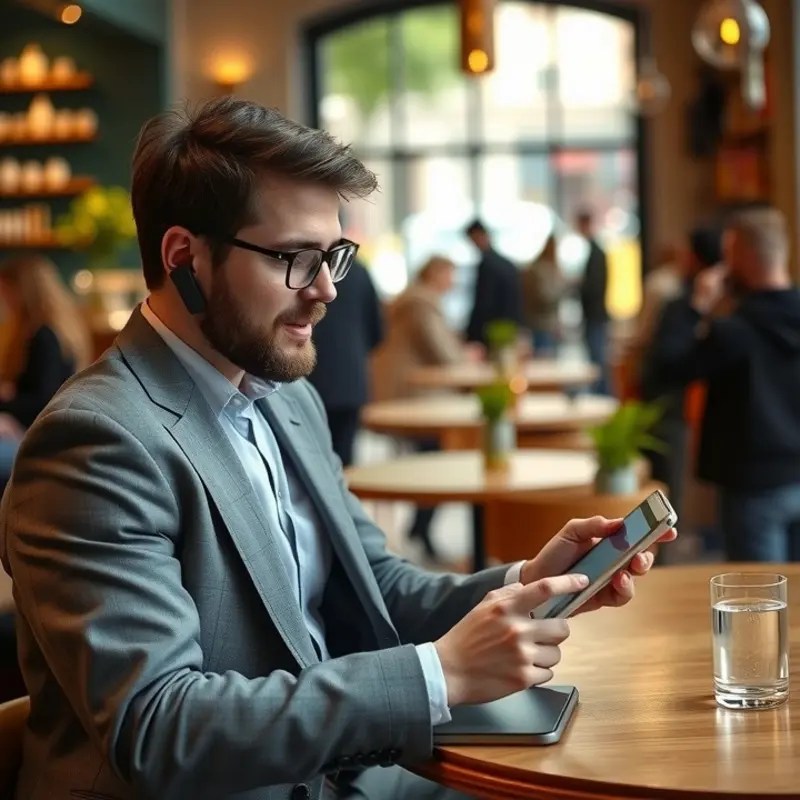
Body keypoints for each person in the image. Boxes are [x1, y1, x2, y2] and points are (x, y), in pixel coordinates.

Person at [0, 97, 673, 800]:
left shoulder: (287, 399)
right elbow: (161, 727)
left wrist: (526, 584)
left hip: (336, 773)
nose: (325, 290)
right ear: (184, 257)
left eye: (335, 256)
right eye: (295, 258)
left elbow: (372, 585)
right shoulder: (95, 443)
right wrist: (437, 674)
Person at [651, 207, 800, 562]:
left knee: (759, 603)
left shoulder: (734, 331)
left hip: (754, 482)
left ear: (744, 257)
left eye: (729, 255)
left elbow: (665, 368)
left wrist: (695, 305)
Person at [372, 255, 463, 560]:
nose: (454, 282)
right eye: (451, 274)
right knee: (446, 453)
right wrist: (467, 355)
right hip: (415, 398)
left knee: (444, 451)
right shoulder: (422, 305)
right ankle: (421, 526)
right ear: (436, 273)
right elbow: (443, 354)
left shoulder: (413, 301)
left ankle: (421, 525)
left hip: (408, 394)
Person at [0, 254, 91, 491]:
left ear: (23, 291)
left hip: (43, 438)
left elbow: (44, 400)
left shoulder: (43, 337)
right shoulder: (54, 331)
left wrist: (6, 409)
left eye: (6, 291)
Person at [307, 256, 383, 467]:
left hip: (307, 376)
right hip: (350, 378)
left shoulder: (301, 265)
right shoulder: (358, 270)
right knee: (344, 464)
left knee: (309, 464)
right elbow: (377, 332)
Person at [463, 219, 524, 350]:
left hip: (493, 328)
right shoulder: (507, 263)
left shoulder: (487, 264)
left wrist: (472, 333)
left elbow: (483, 301)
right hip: (510, 325)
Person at [576, 209, 610, 394]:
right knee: (596, 359)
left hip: (595, 314)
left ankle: (602, 398)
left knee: (597, 361)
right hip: (594, 314)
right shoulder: (594, 250)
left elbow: (595, 287)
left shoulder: (596, 252)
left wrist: (581, 287)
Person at [521, 234, 566, 356]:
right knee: (543, 360)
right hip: (541, 323)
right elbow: (544, 297)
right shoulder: (541, 269)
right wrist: (561, 293)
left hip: (546, 323)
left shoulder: (543, 267)